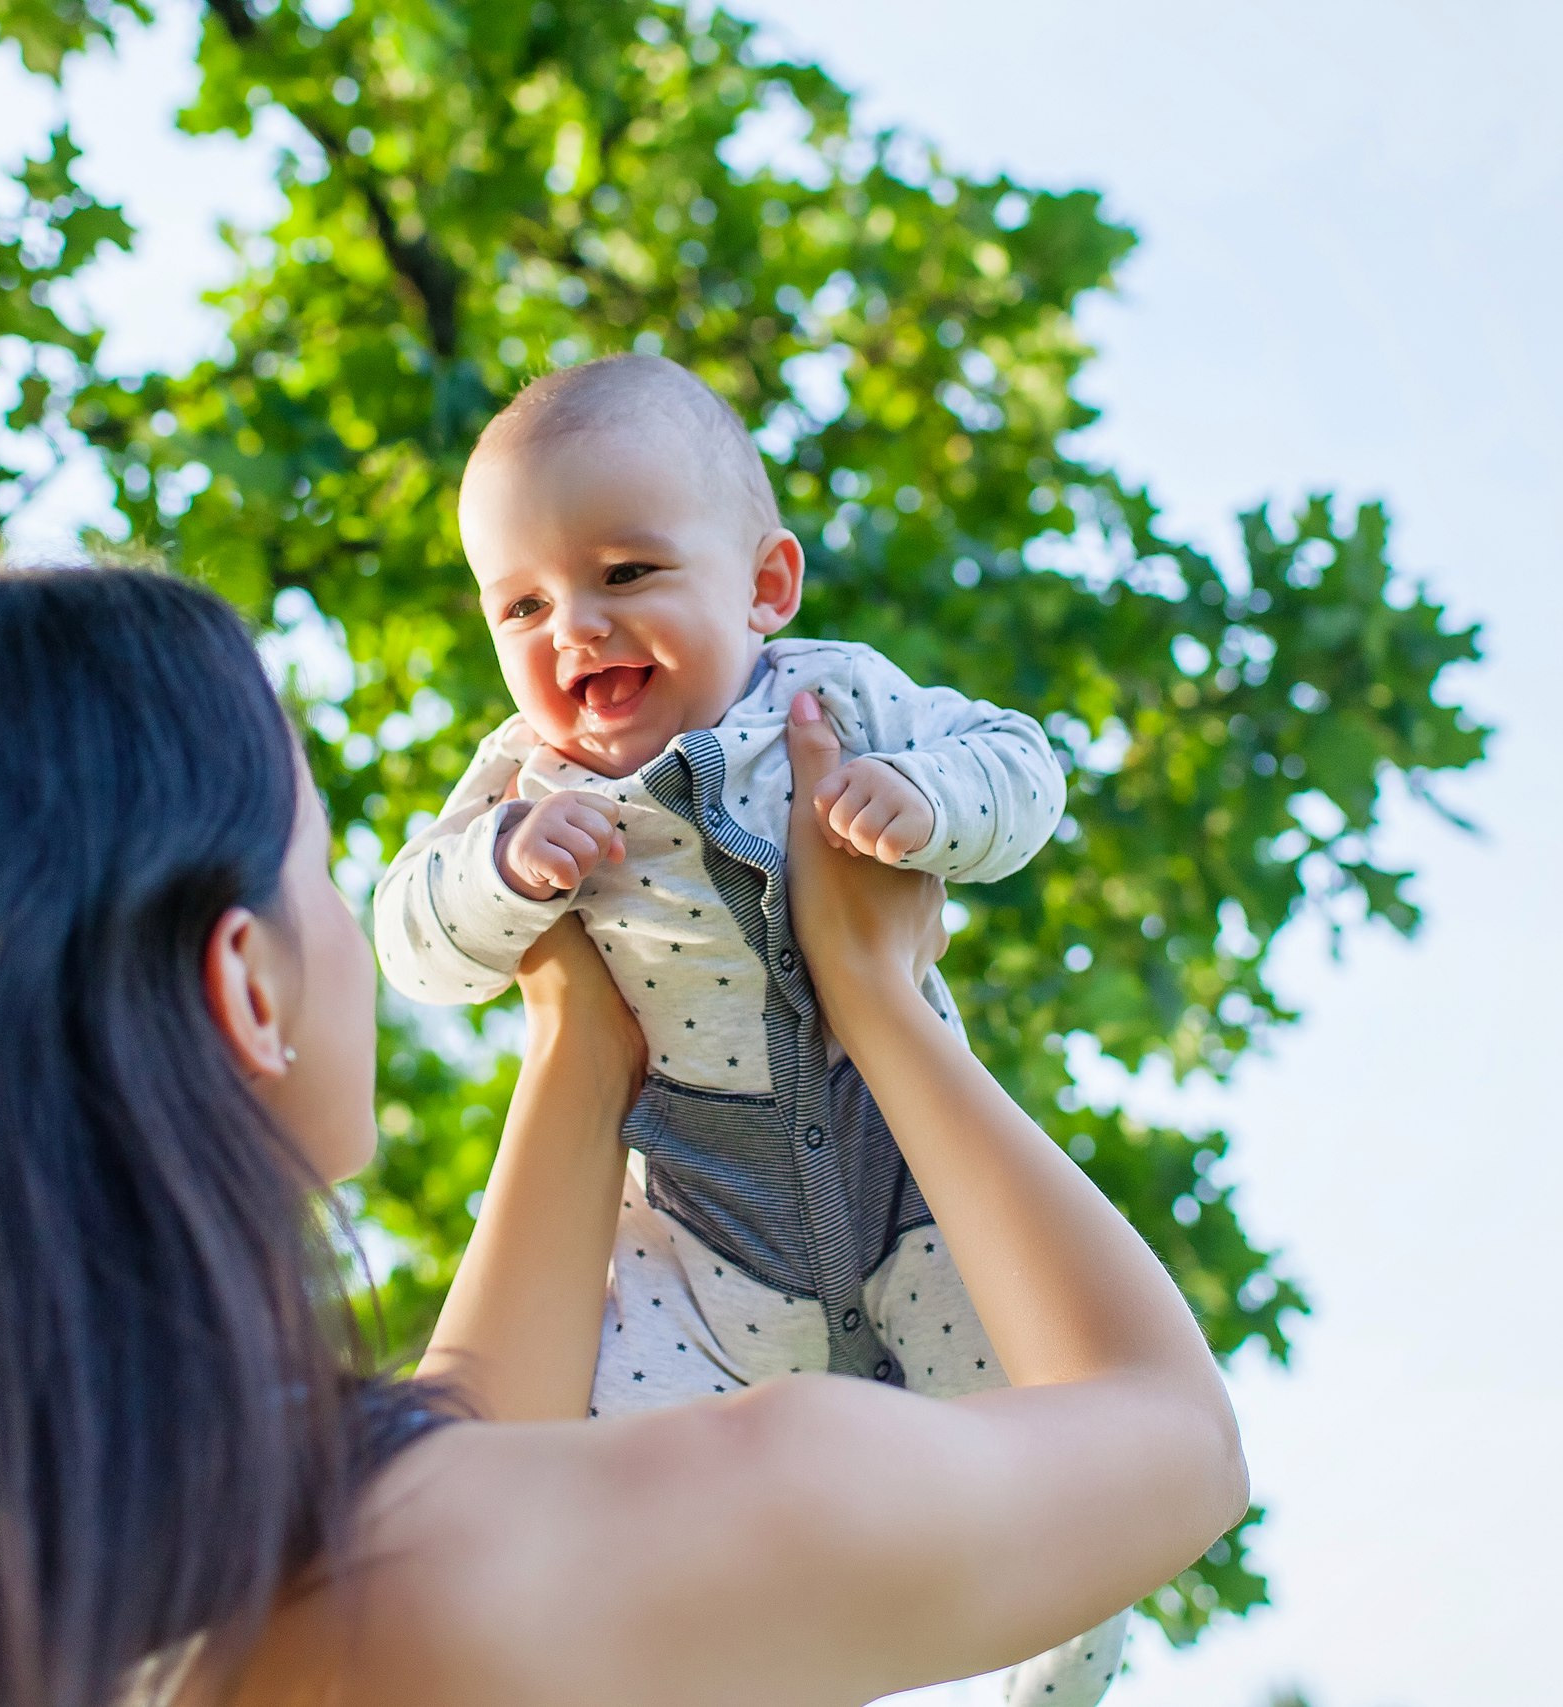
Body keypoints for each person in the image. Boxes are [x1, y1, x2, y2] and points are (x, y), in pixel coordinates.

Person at [0, 560, 1245, 1707]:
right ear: (247, 989)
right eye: (328, 859)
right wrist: (877, 1002)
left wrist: (581, 1038)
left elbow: (465, 1445)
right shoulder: (466, 1585)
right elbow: (1169, 1448)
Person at [371, 355, 1107, 1703]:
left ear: (765, 587)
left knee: (1066, 1431)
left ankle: (1064, 1662)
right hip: (703, 1227)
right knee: (578, 1495)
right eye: (522, 604)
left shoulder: (835, 703)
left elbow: (1024, 760)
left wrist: (923, 799)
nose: (573, 629)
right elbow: (409, 939)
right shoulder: (522, 782)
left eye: (626, 574)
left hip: (908, 1176)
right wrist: (500, 867)